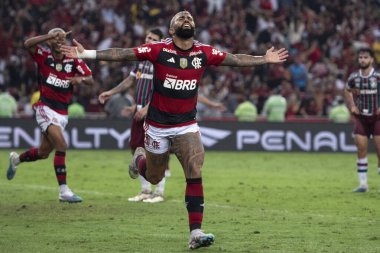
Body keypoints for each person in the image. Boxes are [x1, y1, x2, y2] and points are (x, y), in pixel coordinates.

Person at [62, 10, 288, 249]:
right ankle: (139, 160)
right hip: (157, 126)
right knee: (154, 176)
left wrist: (264, 59)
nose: (187, 19)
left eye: (190, 18)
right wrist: (86, 53)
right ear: (171, 30)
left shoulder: (204, 52)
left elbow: (235, 58)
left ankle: (195, 232)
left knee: (195, 168)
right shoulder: (159, 49)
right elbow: (123, 54)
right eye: (180, 18)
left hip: (186, 125)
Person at [99, 28, 226, 204]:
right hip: (139, 112)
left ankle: (159, 192)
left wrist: (147, 109)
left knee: (161, 153)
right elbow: (130, 81)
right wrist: (115, 95)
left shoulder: (163, 60)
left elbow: (165, 92)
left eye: (153, 38)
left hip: (157, 115)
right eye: (147, 37)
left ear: (160, 42)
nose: (149, 40)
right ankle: (145, 190)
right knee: (137, 150)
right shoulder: (141, 62)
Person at [6, 28, 94, 203]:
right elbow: (27, 44)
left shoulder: (72, 58)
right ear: (49, 41)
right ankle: (64, 191)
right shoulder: (43, 56)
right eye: (56, 38)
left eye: (62, 38)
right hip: (45, 108)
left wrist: (80, 80)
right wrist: (50, 36)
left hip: (62, 112)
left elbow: (90, 78)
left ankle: (16, 159)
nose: (60, 41)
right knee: (62, 144)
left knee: (43, 152)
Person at [344, 47, 380, 193]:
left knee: (379, 150)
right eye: (360, 58)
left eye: (365, 57)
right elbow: (347, 90)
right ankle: (363, 184)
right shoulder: (354, 78)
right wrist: (352, 105)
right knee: (361, 149)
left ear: (371, 59)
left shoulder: (378, 77)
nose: (362, 60)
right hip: (361, 118)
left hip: (378, 118)